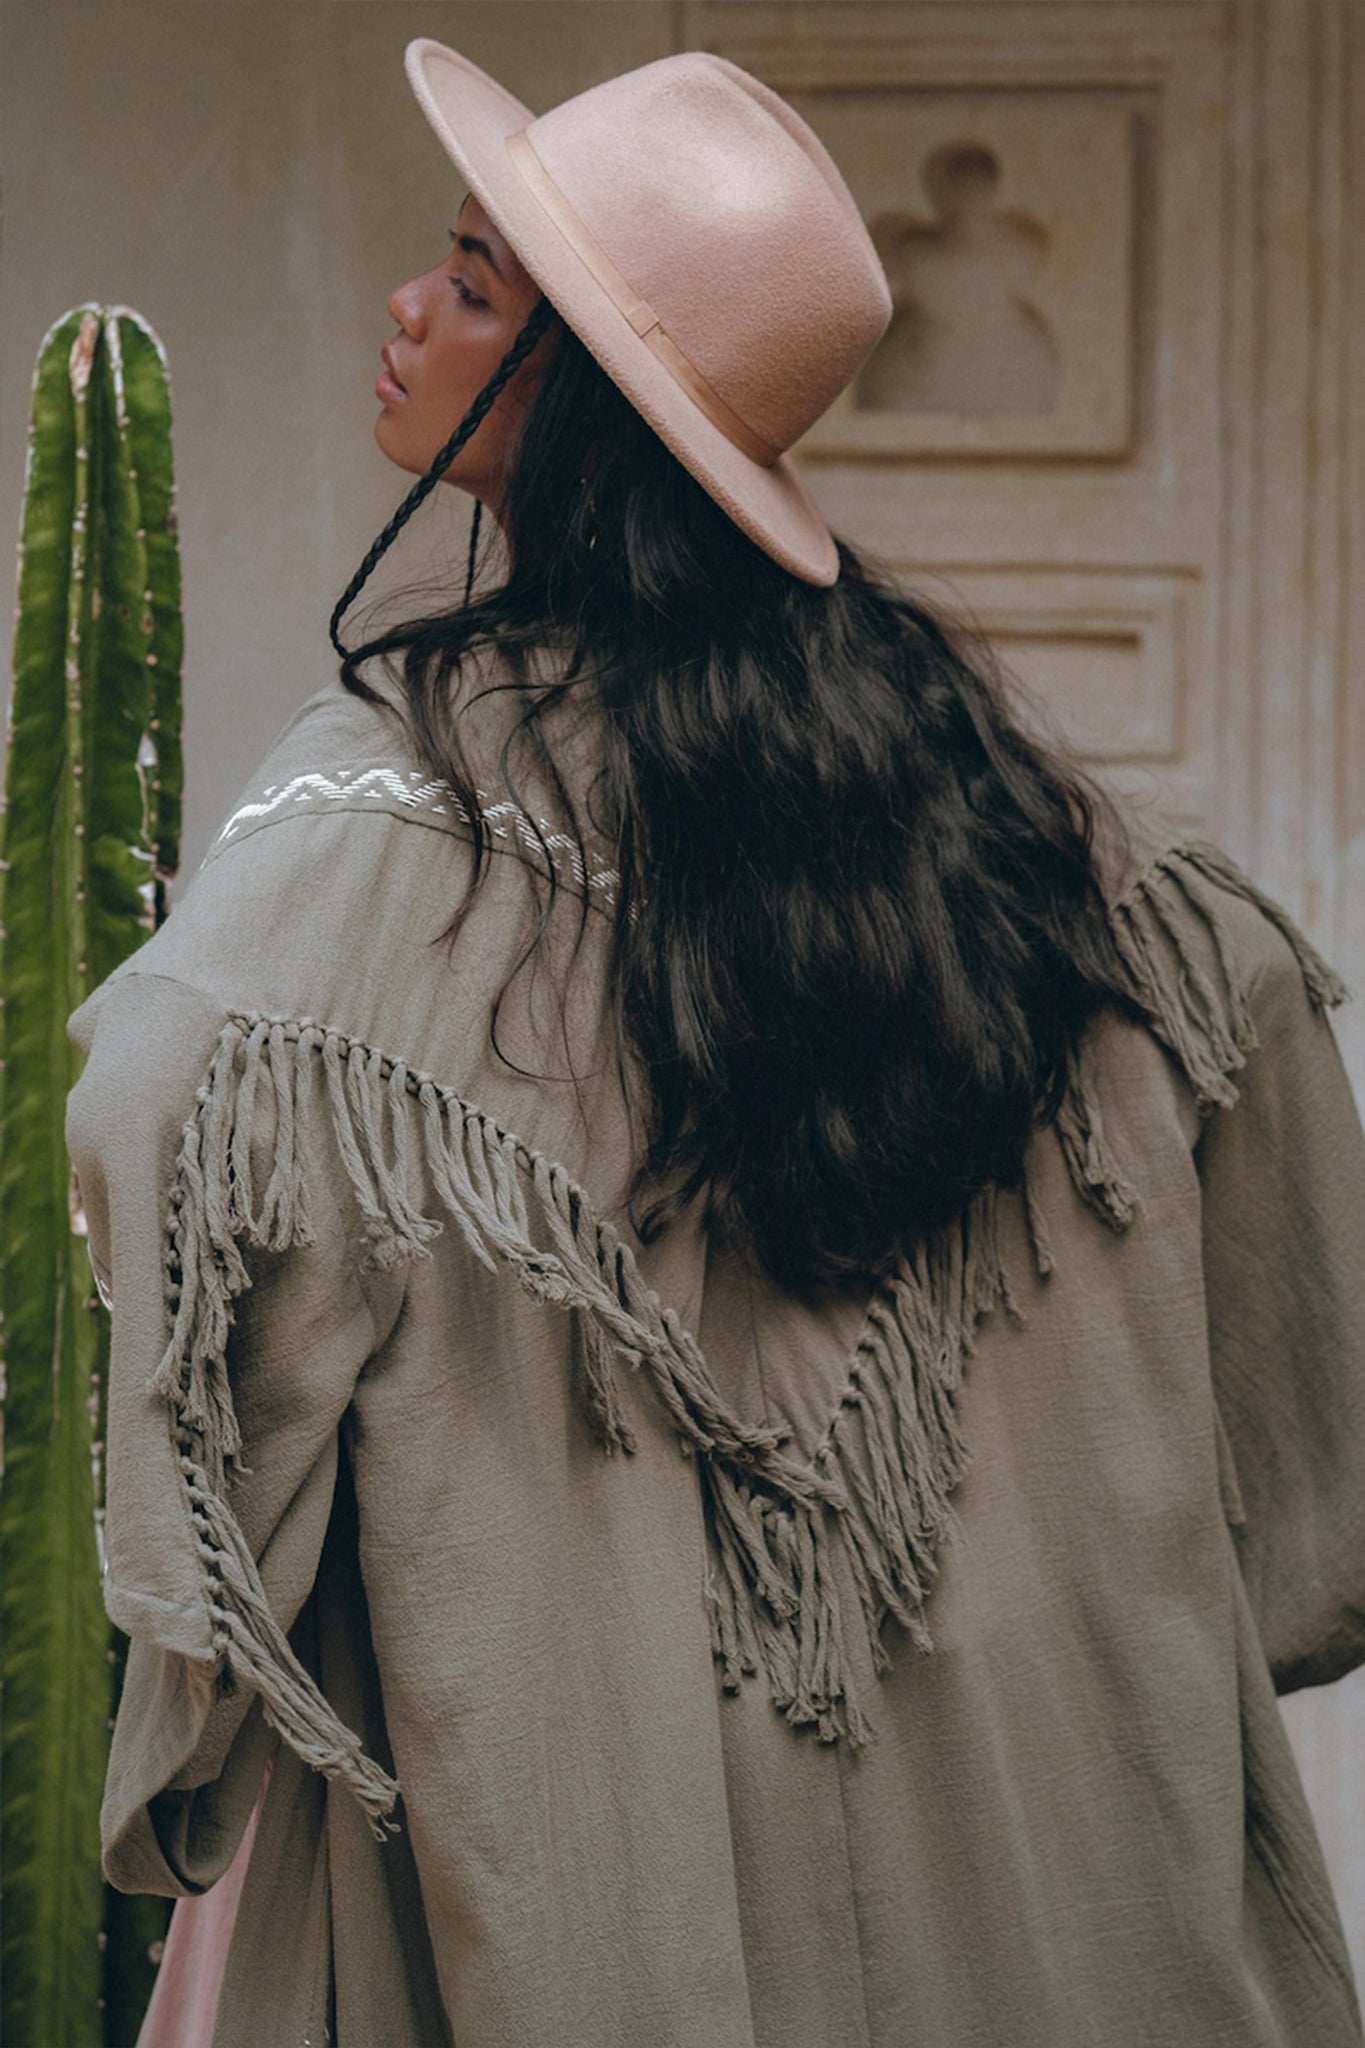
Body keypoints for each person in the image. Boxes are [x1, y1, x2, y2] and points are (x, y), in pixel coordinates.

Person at [65, 38, 1365, 2048]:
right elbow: (1296, 1473)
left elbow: (164, 1098)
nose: (408, 306)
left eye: (474, 285)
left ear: (582, 391)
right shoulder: (997, 821)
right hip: (1048, 1879)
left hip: (569, 1873)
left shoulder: (404, 803)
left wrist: (227, 1639)